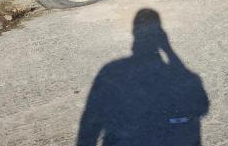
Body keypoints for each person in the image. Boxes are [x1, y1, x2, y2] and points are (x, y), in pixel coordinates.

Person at [77, 9, 209, 145]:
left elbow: (91, 116)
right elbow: (201, 106)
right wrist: (168, 49)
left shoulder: (111, 69)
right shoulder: (112, 69)